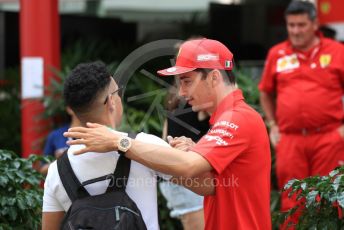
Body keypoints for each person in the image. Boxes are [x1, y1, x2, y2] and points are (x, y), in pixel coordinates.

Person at [64, 38, 272, 229]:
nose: (181, 92)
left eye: (187, 81)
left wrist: (119, 142)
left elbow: (189, 167)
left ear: (214, 78)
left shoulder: (237, 118)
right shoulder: (229, 118)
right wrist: (171, 158)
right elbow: (209, 186)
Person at [42, 61, 172, 230]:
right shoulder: (144, 143)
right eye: (118, 93)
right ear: (111, 101)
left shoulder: (57, 170)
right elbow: (203, 183)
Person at [259, 0, 344, 214]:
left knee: (330, 199)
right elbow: (265, 92)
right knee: (292, 201)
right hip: (290, 140)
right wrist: (272, 124)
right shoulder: (277, 54)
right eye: (291, 25)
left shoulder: (337, 51)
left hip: (328, 138)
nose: (295, 31)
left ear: (315, 24)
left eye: (301, 25)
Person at [159, 85, 209, 230]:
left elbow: (164, 140)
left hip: (172, 179)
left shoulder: (171, 107)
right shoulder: (198, 105)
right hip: (186, 179)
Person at [39, 106, 81, 174]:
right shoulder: (56, 135)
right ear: (69, 109)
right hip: (65, 182)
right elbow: (42, 169)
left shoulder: (97, 132)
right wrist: (59, 161)